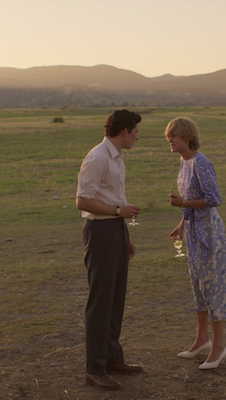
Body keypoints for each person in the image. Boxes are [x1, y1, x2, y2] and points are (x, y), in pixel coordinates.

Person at [165, 117, 226, 370]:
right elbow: (192, 199)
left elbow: (214, 198)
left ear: (187, 136)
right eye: (169, 137)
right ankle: (201, 340)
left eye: (174, 135)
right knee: (198, 285)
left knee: (213, 286)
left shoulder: (201, 162)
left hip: (209, 234)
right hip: (194, 232)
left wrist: (183, 204)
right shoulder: (184, 162)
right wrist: (182, 223)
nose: (171, 140)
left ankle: (219, 347)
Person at [76, 109, 144, 390]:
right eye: (136, 131)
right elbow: (82, 201)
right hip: (101, 232)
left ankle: (113, 359)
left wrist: (124, 232)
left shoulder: (117, 158)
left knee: (116, 298)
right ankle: (95, 368)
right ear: (124, 131)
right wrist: (119, 211)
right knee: (101, 300)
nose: (138, 137)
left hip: (115, 230)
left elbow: (114, 198)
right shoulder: (98, 158)